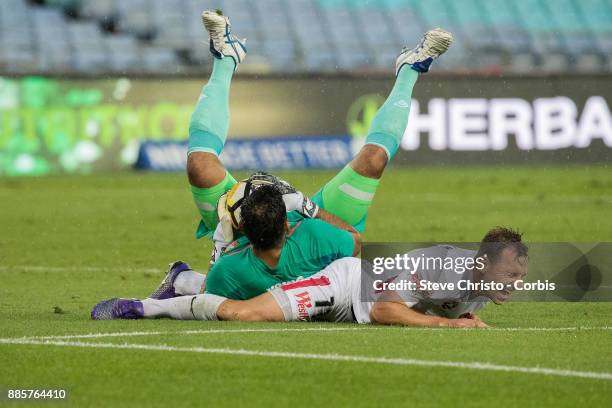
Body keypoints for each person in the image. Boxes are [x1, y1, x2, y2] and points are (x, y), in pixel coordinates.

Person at [91, 9, 454, 319]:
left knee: (373, 159)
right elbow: (354, 241)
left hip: (300, 221)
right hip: (274, 225)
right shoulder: (277, 246)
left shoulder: (307, 235)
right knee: (199, 166)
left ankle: (410, 67)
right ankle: (226, 57)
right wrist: (251, 228)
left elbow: (214, 303)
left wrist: (303, 210)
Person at [93, 227, 528, 328]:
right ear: (483, 262)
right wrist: (447, 325)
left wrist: (461, 318)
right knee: (246, 316)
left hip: (349, 306)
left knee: (257, 298)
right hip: (343, 288)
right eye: (509, 274)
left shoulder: (479, 281)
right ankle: (146, 307)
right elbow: (382, 308)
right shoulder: (443, 269)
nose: (514, 283)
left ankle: (185, 280)